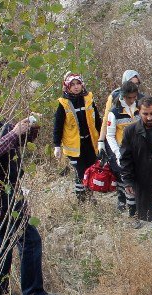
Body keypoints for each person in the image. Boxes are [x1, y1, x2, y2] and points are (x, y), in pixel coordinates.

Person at [0, 90, 61, 295]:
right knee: (30, 239)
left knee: (4, 239)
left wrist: (31, 127)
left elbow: (20, 140)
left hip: (10, 185)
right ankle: (34, 294)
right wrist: (14, 133)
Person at [53, 72, 102, 201]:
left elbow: (97, 119)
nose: (76, 87)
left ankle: (89, 196)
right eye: (72, 84)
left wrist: (102, 137)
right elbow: (58, 125)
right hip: (74, 145)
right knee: (81, 172)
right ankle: (81, 198)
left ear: (82, 84)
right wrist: (56, 145)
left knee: (91, 169)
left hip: (90, 142)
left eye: (78, 83)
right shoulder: (63, 103)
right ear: (67, 87)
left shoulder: (89, 99)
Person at [105, 80, 140, 215]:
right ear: (123, 96)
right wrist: (117, 152)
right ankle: (133, 213)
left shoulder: (139, 108)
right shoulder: (114, 113)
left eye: (134, 97)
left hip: (139, 151)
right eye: (129, 98)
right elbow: (110, 135)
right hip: (124, 152)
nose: (132, 100)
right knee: (128, 183)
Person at [98, 69, 145, 151]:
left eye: (137, 84)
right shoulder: (114, 97)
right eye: (131, 83)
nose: (135, 86)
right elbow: (106, 120)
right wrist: (101, 141)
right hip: (121, 145)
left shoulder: (142, 98)